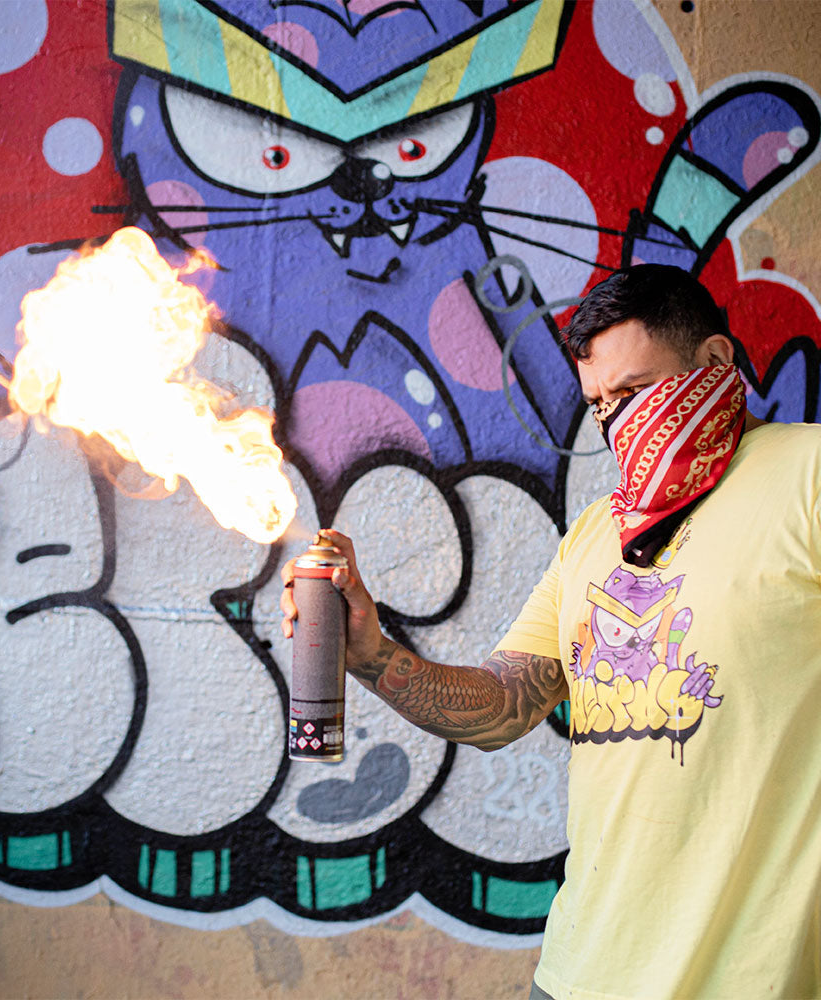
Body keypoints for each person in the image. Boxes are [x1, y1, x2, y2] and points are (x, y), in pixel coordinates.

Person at [281, 264, 821, 1000]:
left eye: (634, 391)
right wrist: (372, 654)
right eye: (599, 404)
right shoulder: (598, 531)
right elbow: (501, 708)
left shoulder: (806, 474)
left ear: (716, 361)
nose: (617, 421)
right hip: (575, 976)